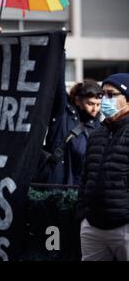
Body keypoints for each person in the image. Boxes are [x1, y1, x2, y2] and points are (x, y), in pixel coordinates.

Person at [77, 73, 129, 261]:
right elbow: (85, 176)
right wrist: (82, 214)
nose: (103, 100)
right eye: (101, 95)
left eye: (110, 95)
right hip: (92, 226)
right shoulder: (97, 134)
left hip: (124, 227)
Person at [44, 80, 103, 185]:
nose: (95, 109)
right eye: (90, 104)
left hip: (80, 186)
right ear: (77, 100)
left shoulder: (96, 124)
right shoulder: (62, 113)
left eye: (98, 104)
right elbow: (57, 83)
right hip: (56, 185)